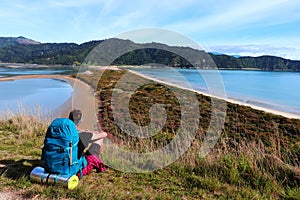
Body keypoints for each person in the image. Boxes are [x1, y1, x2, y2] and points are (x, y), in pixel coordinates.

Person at [68, 109, 108, 176]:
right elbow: (104, 134)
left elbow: (76, 130)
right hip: (74, 164)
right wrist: (93, 133)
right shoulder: (84, 135)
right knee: (99, 138)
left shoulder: (64, 131)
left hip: (62, 159)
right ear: (80, 121)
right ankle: (96, 159)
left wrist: (84, 131)